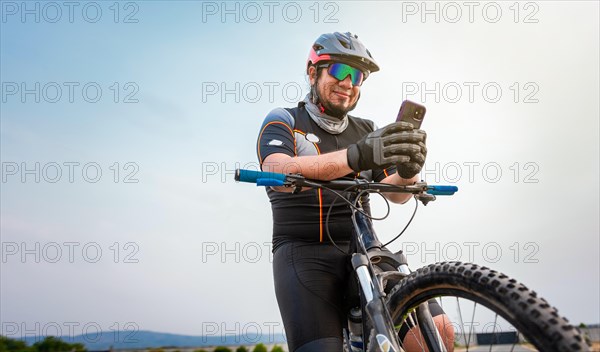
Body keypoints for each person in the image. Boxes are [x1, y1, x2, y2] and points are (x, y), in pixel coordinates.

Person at [255, 32, 454, 352]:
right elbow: (276, 169)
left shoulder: (366, 130)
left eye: (357, 75)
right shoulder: (285, 119)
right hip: (304, 254)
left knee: (438, 331)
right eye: (339, 71)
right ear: (312, 72)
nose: (349, 82)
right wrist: (355, 157)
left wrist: (407, 171)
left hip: (366, 249)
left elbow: (397, 194)